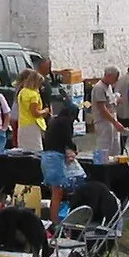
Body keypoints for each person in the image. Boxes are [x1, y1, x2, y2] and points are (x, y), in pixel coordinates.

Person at [40, 90, 79, 222]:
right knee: (57, 192)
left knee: (55, 191)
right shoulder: (66, 122)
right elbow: (67, 139)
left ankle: (53, 219)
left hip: (46, 157)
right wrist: (74, 149)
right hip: (54, 158)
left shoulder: (55, 121)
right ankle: (55, 221)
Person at [86, 66, 126, 157]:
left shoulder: (109, 87)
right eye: (115, 78)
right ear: (108, 75)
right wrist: (115, 123)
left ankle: (115, 167)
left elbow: (110, 102)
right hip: (103, 122)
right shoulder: (99, 88)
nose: (116, 80)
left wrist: (116, 100)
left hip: (111, 120)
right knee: (104, 148)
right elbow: (102, 109)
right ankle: (102, 167)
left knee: (115, 147)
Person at [14, 69, 46, 152]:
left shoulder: (22, 92)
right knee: (36, 150)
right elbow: (35, 113)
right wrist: (45, 111)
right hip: (32, 124)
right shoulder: (33, 95)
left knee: (24, 149)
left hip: (22, 123)